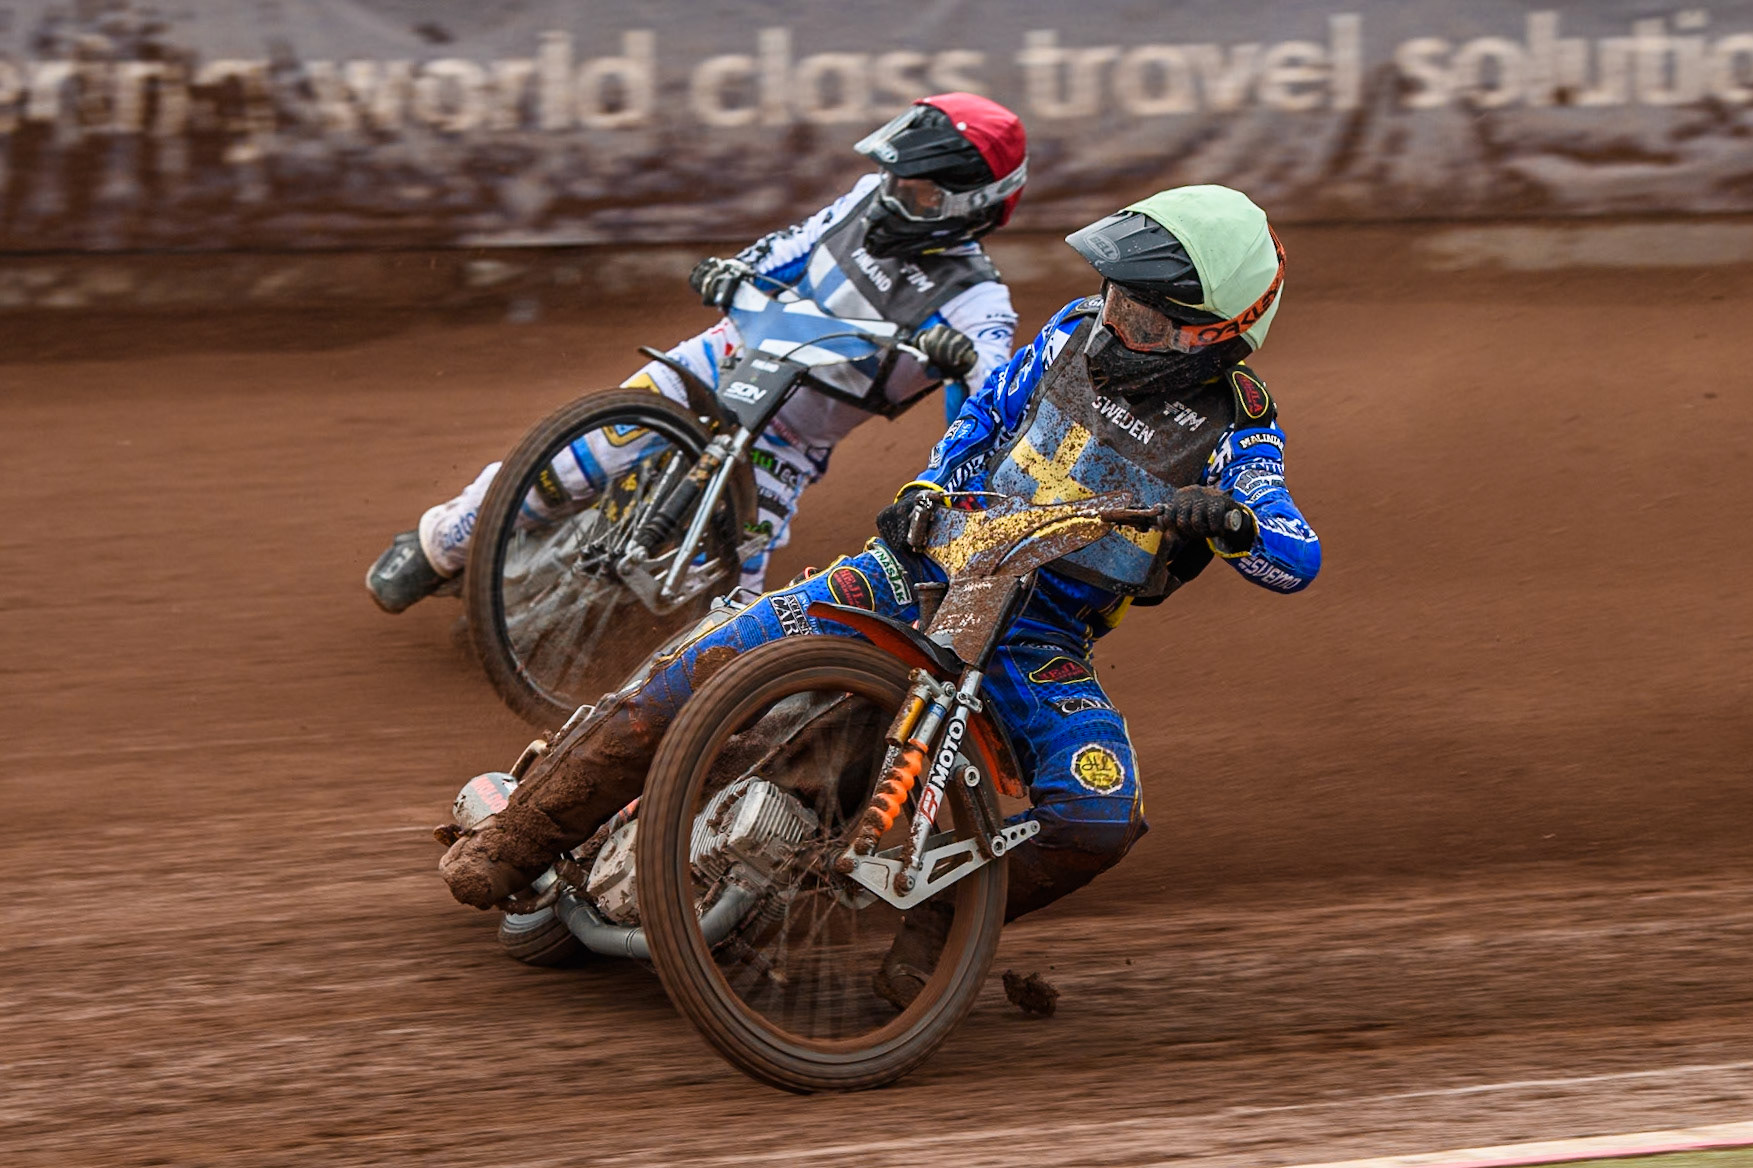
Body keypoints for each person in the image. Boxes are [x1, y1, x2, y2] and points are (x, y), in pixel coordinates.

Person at [437, 184, 1322, 1005]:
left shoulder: (1236, 422)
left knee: (1099, 812)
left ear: (1212, 331)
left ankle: (937, 939)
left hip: (1038, 631)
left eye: (1144, 310)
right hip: (922, 566)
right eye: (1117, 292)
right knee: (710, 658)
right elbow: (983, 420)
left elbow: (1296, 553)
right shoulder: (1069, 333)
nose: (1117, 314)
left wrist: (1235, 524)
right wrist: (929, 488)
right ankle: (515, 841)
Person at [365, 93, 1028, 612]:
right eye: (893, 178)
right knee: (562, 468)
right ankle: (440, 546)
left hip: (787, 442)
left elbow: (993, 399)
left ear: (970, 206)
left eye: (916, 192)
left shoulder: (978, 303)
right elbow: (788, 246)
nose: (892, 195)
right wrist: (732, 270)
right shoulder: (863, 198)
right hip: (718, 363)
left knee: (733, 605)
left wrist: (961, 363)